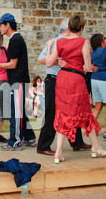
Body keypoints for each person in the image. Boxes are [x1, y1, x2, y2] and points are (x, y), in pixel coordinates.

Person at [46, 15, 106, 163]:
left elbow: (49, 63)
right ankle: (96, 146)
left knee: (63, 115)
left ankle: (58, 152)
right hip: (76, 80)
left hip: (62, 80)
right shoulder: (84, 42)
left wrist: (49, 48)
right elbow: (86, 67)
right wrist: (92, 68)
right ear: (81, 28)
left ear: (69, 27)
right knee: (85, 113)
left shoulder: (59, 42)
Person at [36, 18, 92, 156]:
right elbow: (41, 58)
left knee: (74, 110)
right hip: (54, 80)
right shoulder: (56, 41)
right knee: (52, 113)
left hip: (68, 81)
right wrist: (56, 61)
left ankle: (76, 141)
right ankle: (43, 145)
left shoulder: (75, 41)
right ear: (68, 28)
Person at [0, 13, 36, 151]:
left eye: (1, 25)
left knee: (16, 114)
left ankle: (15, 142)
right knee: (19, 112)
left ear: (8, 25)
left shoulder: (15, 40)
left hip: (18, 82)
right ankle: (30, 137)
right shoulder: (16, 39)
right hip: (18, 81)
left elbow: (12, 64)